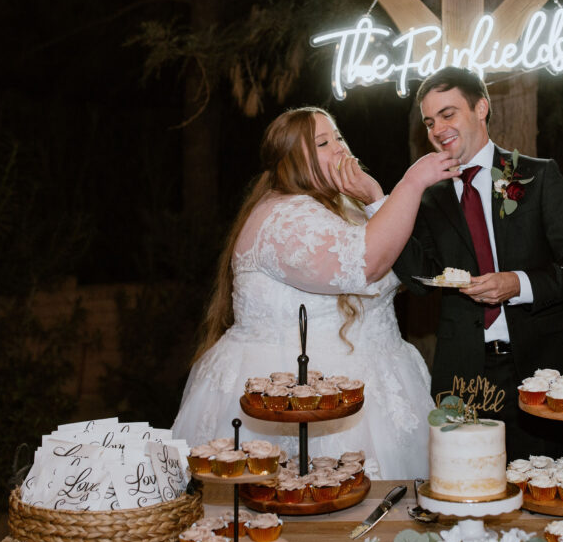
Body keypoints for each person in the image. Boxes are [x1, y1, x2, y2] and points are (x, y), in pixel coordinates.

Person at [172, 107, 461, 479]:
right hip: (300, 397)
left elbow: (410, 269)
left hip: (378, 387)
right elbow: (364, 265)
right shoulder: (286, 217)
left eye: (339, 137)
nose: (340, 148)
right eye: (323, 143)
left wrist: (374, 194)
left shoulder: (345, 208)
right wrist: (410, 184)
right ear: (292, 160)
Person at [391, 67, 563, 460]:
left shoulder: (537, 176)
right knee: (466, 485)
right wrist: (380, 204)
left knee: (543, 486)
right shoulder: (431, 198)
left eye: (448, 114)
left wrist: (517, 284)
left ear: (481, 108)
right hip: (464, 371)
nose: (438, 129)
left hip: (541, 369)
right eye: (430, 121)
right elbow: (419, 280)